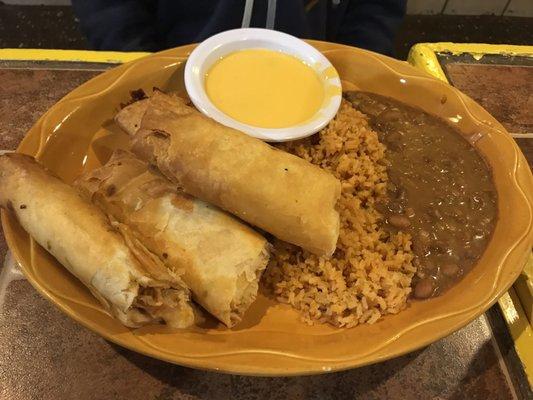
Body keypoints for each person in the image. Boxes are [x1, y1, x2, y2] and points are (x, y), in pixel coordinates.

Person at [72, 0, 406, 56]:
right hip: (175, 79)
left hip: (319, 85)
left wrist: (356, 72)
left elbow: (375, 10)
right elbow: (110, 10)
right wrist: (144, 67)